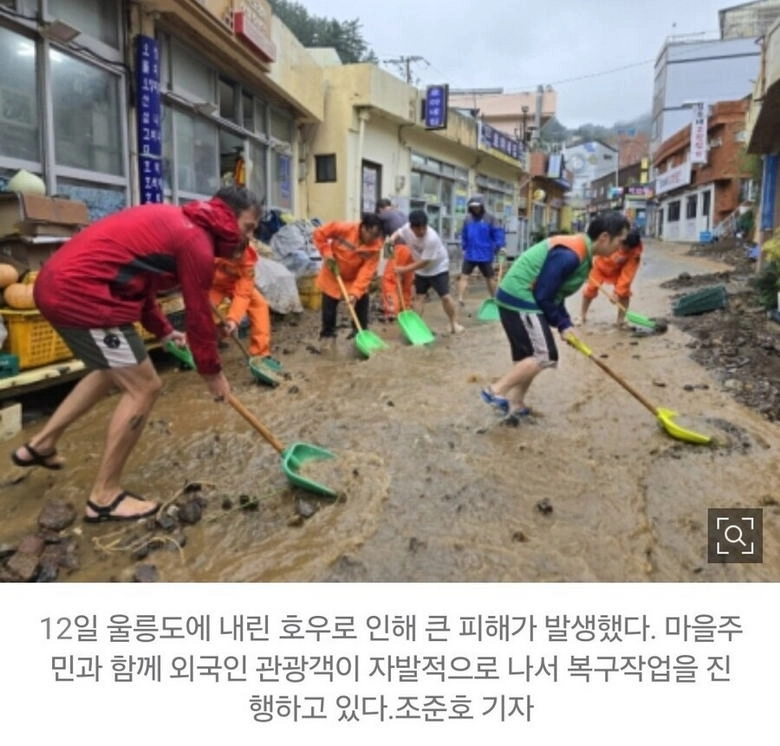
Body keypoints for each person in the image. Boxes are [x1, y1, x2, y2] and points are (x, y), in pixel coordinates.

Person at [11, 187, 261, 521]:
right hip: (82, 294)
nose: (248, 237)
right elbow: (199, 313)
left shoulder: (182, 223)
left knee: (108, 371)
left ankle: (41, 443)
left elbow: (141, 283)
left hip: (61, 286)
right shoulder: (195, 242)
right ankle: (104, 497)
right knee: (144, 386)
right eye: (248, 227)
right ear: (228, 216)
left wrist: (163, 331)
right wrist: (212, 373)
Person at [480, 211, 629, 423]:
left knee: (528, 357)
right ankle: (495, 391)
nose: (621, 248)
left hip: (517, 297)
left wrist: (564, 324)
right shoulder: (571, 254)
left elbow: (556, 295)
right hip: (520, 297)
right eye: (620, 241)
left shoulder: (583, 255)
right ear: (604, 237)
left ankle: (516, 404)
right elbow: (544, 295)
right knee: (544, 355)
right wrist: (561, 323)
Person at [312, 213, 384, 340]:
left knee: (362, 302)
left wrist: (355, 293)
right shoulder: (344, 228)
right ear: (363, 227)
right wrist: (327, 253)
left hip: (354, 278)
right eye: (371, 234)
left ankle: (360, 333)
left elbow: (366, 272)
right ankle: (327, 335)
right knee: (329, 309)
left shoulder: (375, 248)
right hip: (333, 273)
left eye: (376, 236)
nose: (373, 239)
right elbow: (319, 234)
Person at [391, 210, 464, 335]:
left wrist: (403, 269)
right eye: (417, 229)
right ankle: (417, 328)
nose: (421, 231)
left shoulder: (432, 238)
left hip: (438, 268)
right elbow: (398, 233)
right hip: (421, 271)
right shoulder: (407, 229)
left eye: (423, 228)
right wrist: (390, 240)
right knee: (419, 297)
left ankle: (454, 323)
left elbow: (425, 262)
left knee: (445, 297)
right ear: (411, 227)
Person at [209, 238, 276, 364]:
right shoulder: (209, 250)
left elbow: (243, 294)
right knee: (205, 315)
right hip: (213, 286)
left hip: (235, 286)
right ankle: (192, 347)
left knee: (260, 305)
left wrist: (233, 319)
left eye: (240, 254)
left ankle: (261, 354)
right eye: (233, 255)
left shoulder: (248, 260)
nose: (237, 257)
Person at [580, 228, 643, 328]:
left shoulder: (635, 253)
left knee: (624, 293)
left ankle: (620, 320)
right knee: (590, 290)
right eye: (622, 245)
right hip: (600, 267)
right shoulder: (612, 239)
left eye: (627, 248)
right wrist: (586, 266)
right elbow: (593, 249)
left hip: (618, 271)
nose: (623, 249)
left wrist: (617, 293)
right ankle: (582, 316)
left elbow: (627, 275)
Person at [456, 195, 505, 306]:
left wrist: (500, 246)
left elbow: (498, 233)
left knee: (490, 278)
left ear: (482, 206)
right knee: (464, 276)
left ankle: (494, 298)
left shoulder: (490, 218)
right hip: (470, 254)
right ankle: (460, 299)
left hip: (485, 254)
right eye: (473, 207)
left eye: (477, 207)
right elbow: (464, 234)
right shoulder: (467, 219)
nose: (475, 209)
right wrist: (464, 247)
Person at [376, 199, 412, 320]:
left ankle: (391, 311)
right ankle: (405, 307)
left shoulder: (382, 216)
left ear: (380, 208)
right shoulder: (401, 214)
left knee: (388, 279)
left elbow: (383, 241)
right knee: (406, 279)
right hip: (410, 248)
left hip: (393, 246)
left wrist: (380, 268)